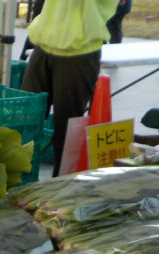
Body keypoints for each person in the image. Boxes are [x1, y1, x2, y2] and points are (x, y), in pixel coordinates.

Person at [20, 0, 119, 173]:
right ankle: (21, 182)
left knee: (66, 132)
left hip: (79, 50)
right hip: (44, 43)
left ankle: (61, 189)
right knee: (25, 120)